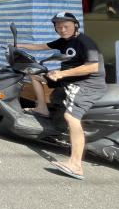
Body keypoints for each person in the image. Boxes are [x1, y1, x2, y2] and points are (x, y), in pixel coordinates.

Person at [16, 12, 106, 180]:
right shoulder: (64, 40)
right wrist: (18, 45)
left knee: (71, 117)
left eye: (66, 26)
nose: (62, 30)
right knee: (33, 75)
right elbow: (42, 47)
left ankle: (76, 165)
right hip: (68, 78)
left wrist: (62, 74)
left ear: (75, 25)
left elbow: (92, 67)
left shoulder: (84, 42)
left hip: (87, 84)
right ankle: (42, 108)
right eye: (59, 27)